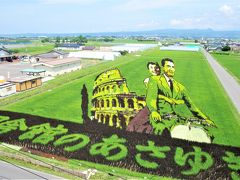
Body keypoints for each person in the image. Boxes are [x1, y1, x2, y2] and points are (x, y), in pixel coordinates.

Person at [146, 58, 215, 135]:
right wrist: (154, 111)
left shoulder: (180, 87)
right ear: (163, 67)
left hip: (175, 120)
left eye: (173, 67)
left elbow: (191, 105)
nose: (171, 69)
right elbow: (151, 97)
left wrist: (205, 119)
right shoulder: (155, 79)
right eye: (168, 66)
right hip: (160, 119)